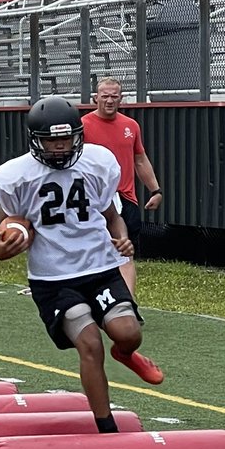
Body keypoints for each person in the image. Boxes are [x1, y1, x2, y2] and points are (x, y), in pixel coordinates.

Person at [0, 96, 164, 435]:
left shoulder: (98, 163)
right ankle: (106, 426)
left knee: (128, 334)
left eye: (66, 138)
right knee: (89, 343)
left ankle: (125, 354)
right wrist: (4, 246)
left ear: (78, 136)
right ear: (35, 140)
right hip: (53, 279)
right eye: (52, 140)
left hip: (100, 268)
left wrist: (123, 239)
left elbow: (112, 216)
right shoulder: (15, 176)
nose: (59, 147)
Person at [80, 77, 163, 296]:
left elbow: (140, 159)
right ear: (95, 98)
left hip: (125, 198)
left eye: (114, 96)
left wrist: (155, 190)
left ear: (121, 99)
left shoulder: (130, 126)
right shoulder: (83, 126)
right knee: (92, 253)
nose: (109, 101)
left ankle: (128, 305)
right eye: (105, 96)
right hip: (93, 198)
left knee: (125, 253)